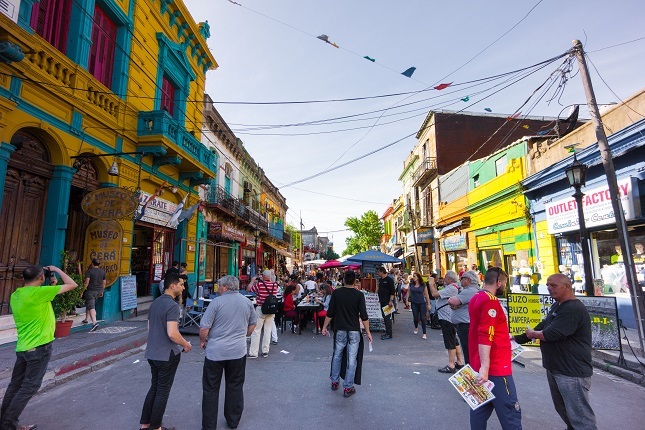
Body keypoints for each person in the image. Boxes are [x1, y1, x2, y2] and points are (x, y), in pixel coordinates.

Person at [514, 274, 596, 430]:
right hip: (557, 368)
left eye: (554, 285)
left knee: (580, 418)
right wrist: (515, 339)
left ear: (567, 286)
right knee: (565, 410)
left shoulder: (573, 308)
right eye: (547, 285)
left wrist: (532, 334)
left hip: (571, 372)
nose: (549, 288)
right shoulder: (558, 305)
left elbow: (550, 334)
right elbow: (543, 326)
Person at [1, 265, 78, 430]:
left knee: (15, 385)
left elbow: (38, 302)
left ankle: (5, 421)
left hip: (23, 347)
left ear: (24, 278)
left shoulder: (17, 295)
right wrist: (57, 270)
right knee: (30, 386)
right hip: (39, 348)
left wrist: (51, 286)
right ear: (41, 277)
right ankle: (8, 424)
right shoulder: (39, 294)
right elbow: (73, 285)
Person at [199, 276, 257, 430]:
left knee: (211, 388)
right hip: (238, 351)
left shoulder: (216, 302)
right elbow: (253, 324)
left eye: (219, 286)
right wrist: (244, 335)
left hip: (215, 352)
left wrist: (202, 341)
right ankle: (233, 421)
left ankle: (209, 426)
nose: (218, 289)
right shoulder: (246, 301)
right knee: (235, 385)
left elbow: (204, 328)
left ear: (225, 287)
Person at [469, 267, 522, 430]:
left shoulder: (477, 297)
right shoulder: (490, 301)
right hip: (496, 367)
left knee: (479, 410)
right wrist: (485, 367)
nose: (505, 286)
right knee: (510, 413)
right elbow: (485, 334)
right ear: (499, 282)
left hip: (479, 364)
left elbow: (483, 330)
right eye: (505, 282)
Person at [139, 273, 192, 430]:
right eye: (181, 284)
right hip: (166, 354)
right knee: (162, 392)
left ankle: (145, 424)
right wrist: (186, 345)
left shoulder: (155, 303)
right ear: (172, 285)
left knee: (154, 388)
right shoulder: (172, 306)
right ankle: (156, 427)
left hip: (152, 352)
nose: (183, 288)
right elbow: (172, 333)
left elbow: (150, 328)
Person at [322, 270, 372, 398]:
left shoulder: (337, 293)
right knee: (352, 359)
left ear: (343, 280)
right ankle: (348, 387)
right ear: (355, 281)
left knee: (337, 355)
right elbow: (364, 316)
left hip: (340, 329)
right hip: (354, 330)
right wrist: (368, 332)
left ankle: (334, 381)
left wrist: (324, 327)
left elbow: (330, 312)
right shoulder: (359, 295)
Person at [429, 270, 464, 373]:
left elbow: (435, 294)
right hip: (449, 317)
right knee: (454, 340)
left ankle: (451, 365)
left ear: (450, 279)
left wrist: (431, 284)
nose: (443, 279)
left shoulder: (451, 288)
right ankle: (460, 362)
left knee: (450, 342)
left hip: (446, 318)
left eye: (445, 277)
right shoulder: (453, 287)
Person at [448, 270, 480, 365]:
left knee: (468, 350)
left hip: (466, 325)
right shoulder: (468, 291)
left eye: (462, 278)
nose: (460, 280)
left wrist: (453, 304)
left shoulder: (470, 291)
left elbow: (452, 300)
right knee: (468, 349)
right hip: (465, 324)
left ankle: (471, 370)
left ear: (468, 280)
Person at [248, 270, 279, 358]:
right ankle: (265, 351)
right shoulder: (274, 285)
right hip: (271, 310)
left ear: (263, 276)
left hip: (261, 309)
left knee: (256, 330)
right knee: (267, 330)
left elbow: (249, 289)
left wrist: (252, 280)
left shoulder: (260, 285)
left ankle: (253, 352)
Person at [82, 258, 106, 332]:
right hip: (98, 292)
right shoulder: (103, 272)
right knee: (89, 304)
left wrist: (82, 291)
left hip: (90, 291)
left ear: (92, 264)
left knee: (91, 307)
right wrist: (102, 291)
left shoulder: (89, 271)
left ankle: (94, 323)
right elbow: (104, 283)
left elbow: (86, 282)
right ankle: (86, 319)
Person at [408, 273, 431, 339]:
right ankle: (416, 327)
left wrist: (428, 303)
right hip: (414, 302)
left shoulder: (423, 285)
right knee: (415, 317)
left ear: (418, 277)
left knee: (422, 318)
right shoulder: (411, 284)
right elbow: (408, 292)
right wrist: (407, 300)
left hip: (422, 303)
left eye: (415, 276)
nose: (413, 277)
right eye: (413, 276)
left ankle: (424, 333)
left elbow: (426, 295)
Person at [376, 266, 395, 340]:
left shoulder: (389, 280)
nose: (377, 273)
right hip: (382, 301)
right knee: (384, 317)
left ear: (381, 271)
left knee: (387, 318)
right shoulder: (380, 280)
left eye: (378, 272)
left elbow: (392, 291)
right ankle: (387, 332)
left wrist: (391, 300)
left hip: (387, 301)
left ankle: (389, 333)